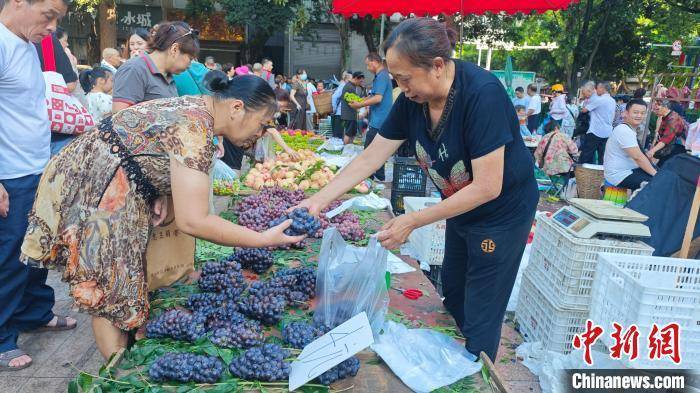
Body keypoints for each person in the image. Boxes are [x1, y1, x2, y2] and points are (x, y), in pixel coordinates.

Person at [294, 18, 537, 362]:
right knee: (452, 290)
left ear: (437, 66)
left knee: (482, 302)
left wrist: (413, 220)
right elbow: (371, 156)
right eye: (396, 79)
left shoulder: (482, 94)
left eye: (405, 78)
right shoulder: (412, 100)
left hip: (501, 212)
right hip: (460, 207)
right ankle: (455, 360)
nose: (401, 88)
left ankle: (476, 369)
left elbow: (486, 186)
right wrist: (318, 199)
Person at [20, 74, 304, 360]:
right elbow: (193, 220)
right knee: (109, 289)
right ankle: (117, 375)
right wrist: (260, 239)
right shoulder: (196, 128)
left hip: (108, 175)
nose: (262, 132)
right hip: (96, 182)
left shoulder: (199, 110)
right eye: (262, 122)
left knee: (123, 281)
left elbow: (152, 146)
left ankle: (123, 356)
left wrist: (161, 190)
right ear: (237, 108)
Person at [1, 0, 78, 371]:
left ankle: (35, 311)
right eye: (48, 15)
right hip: (9, 175)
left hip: (36, 168)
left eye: (57, 21)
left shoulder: (27, 46)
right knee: (10, 257)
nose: (52, 27)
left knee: (38, 248)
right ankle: (1, 338)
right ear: (19, 2)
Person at [112, 21, 197, 113]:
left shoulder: (168, 75)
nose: (189, 66)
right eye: (190, 58)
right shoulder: (134, 69)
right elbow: (119, 118)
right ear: (174, 49)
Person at [349, 53, 393, 181]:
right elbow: (373, 95)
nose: (368, 68)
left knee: (369, 149)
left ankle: (370, 177)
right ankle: (378, 176)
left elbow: (378, 98)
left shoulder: (382, 77)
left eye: (368, 65)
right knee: (377, 150)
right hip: (378, 119)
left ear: (374, 62)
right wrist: (361, 100)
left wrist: (360, 104)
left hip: (380, 120)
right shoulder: (380, 76)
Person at [604, 99, 656, 190]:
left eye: (643, 113)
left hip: (629, 170)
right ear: (626, 113)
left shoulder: (629, 129)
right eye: (636, 112)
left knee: (659, 173)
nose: (639, 115)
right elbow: (638, 157)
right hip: (619, 175)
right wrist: (656, 175)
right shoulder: (624, 130)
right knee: (658, 182)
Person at [579, 81, 615, 164]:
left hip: (596, 131)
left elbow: (584, 110)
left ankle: (582, 173)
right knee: (602, 157)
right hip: (608, 132)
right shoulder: (612, 101)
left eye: (597, 88)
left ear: (603, 88)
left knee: (586, 154)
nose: (596, 90)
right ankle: (600, 175)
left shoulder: (600, 100)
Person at [648, 100, 689, 167]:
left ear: (665, 107)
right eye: (653, 109)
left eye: (657, 109)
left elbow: (666, 139)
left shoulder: (673, 119)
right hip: (669, 145)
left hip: (678, 146)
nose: (654, 112)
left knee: (663, 166)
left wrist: (652, 151)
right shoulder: (665, 116)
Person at [340, 72, 364, 144]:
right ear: (356, 78)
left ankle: (349, 149)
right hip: (349, 115)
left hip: (350, 115)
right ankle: (346, 150)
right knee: (348, 134)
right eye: (360, 81)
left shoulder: (351, 86)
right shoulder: (350, 87)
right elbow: (355, 102)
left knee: (351, 133)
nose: (361, 83)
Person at [331, 71, 352, 139]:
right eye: (350, 79)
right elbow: (334, 97)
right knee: (338, 135)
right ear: (346, 79)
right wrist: (334, 109)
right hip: (339, 113)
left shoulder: (345, 86)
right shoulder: (343, 86)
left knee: (340, 134)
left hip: (342, 113)